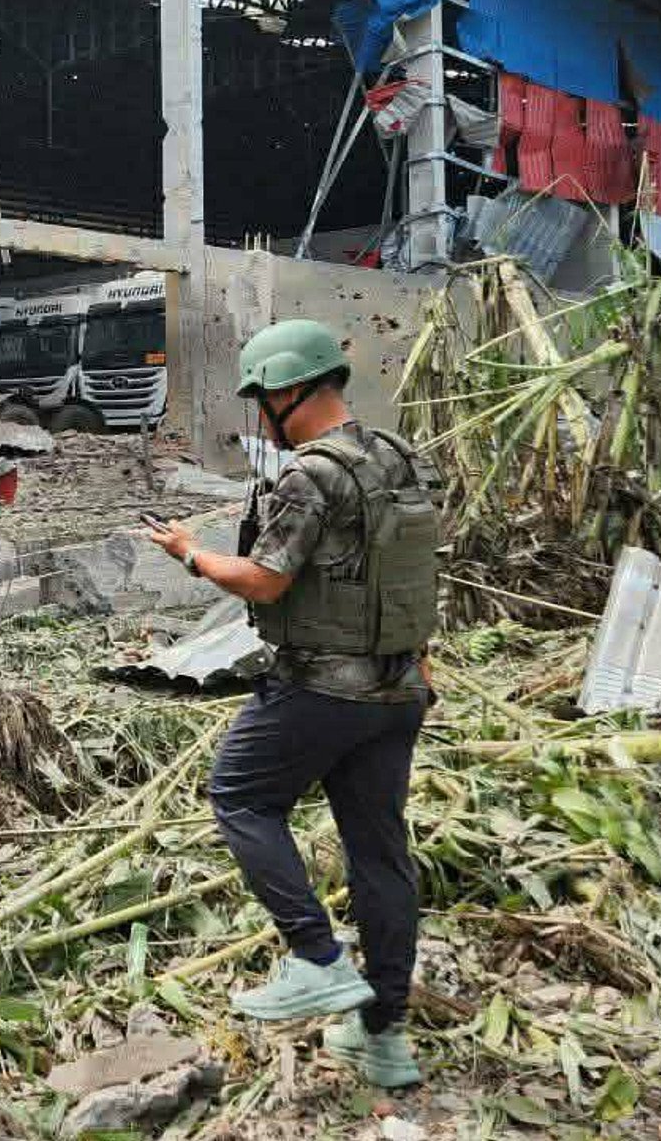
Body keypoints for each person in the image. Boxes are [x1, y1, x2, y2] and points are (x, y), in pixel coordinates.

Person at [146, 318, 440, 1090]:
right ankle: (385, 1041)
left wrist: (192, 554)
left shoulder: (311, 475)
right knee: (381, 857)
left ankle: (315, 956)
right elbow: (408, 576)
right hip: (401, 687)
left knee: (240, 795)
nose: (260, 410)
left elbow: (265, 581)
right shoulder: (400, 459)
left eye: (260, 396)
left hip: (319, 688)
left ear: (287, 390)